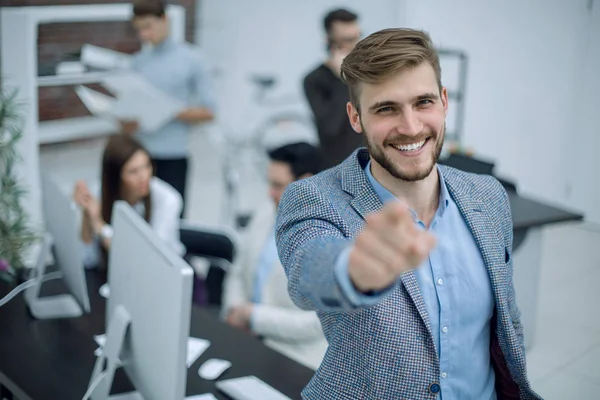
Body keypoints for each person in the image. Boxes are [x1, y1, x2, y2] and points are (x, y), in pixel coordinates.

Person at [276, 29, 540, 399]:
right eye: (386, 108)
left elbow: (506, 320)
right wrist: (356, 270)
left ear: (444, 102)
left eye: (423, 102)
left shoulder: (488, 195)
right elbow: (308, 272)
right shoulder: (314, 198)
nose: (411, 127)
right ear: (356, 117)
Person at [221, 142, 327, 371]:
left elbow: (316, 324)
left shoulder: (327, 239)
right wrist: (235, 310)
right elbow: (237, 272)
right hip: (245, 338)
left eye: (278, 185)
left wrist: (254, 317)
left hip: (294, 359)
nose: (270, 192)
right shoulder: (266, 211)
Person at [122, 0, 216, 216]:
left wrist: (169, 110)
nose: (144, 35)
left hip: (173, 157)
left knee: (171, 220)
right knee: (137, 218)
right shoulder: (137, 62)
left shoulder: (192, 59)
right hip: (139, 156)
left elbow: (210, 111)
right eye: (139, 30)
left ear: (165, 20)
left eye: (148, 27)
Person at [74, 135, 184, 269]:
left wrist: (100, 226)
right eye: (133, 172)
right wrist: (87, 214)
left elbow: (149, 260)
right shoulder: (98, 193)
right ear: (116, 176)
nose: (144, 176)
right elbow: (88, 259)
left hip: (163, 274)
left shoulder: (167, 199)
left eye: (146, 166)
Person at [303, 8, 365, 170]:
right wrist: (342, 79)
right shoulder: (313, 80)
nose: (356, 45)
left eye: (358, 37)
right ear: (330, 41)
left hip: (371, 164)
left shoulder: (366, 75)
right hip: (336, 168)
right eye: (348, 39)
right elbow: (330, 128)